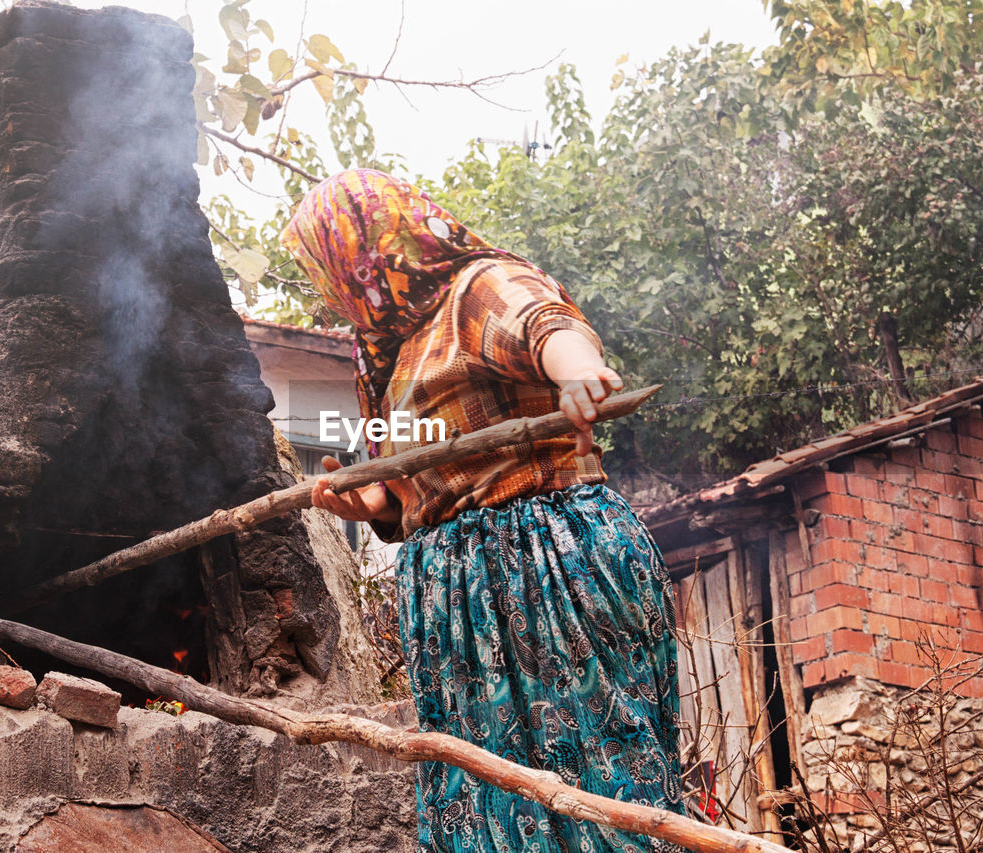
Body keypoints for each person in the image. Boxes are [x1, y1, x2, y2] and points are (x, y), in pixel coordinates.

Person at [283, 169, 685, 852]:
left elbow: (544, 324)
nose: (329, 289)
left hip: (544, 570)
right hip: (458, 609)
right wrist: (370, 499)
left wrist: (579, 371)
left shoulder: (474, 288)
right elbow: (408, 472)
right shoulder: (384, 358)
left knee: (594, 783)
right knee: (492, 805)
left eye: (328, 266)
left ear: (366, 249)